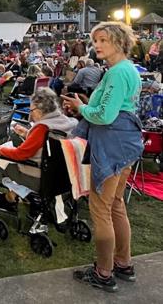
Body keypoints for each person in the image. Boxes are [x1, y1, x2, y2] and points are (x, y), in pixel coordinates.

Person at [62, 22, 143, 292]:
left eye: (103, 40)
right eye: (95, 40)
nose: (96, 45)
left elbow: (105, 116)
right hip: (125, 143)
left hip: (111, 146)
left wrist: (82, 107)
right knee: (117, 205)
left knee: (101, 210)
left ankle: (104, 272)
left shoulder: (118, 73)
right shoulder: (126, 70)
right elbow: (115, 106)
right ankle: (123, 263)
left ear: (119, 42)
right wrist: (84, 105)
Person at [0, 88, 77, 216]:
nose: (31, 114)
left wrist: (0, 149)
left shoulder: (42, 128)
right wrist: (27, 133)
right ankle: (10, 197)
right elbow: (45, 146)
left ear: (40, 110)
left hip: (38, 176)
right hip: (60, 176)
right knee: (7, 149)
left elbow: (21, 154)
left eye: (31, 110)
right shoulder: (67, 122)